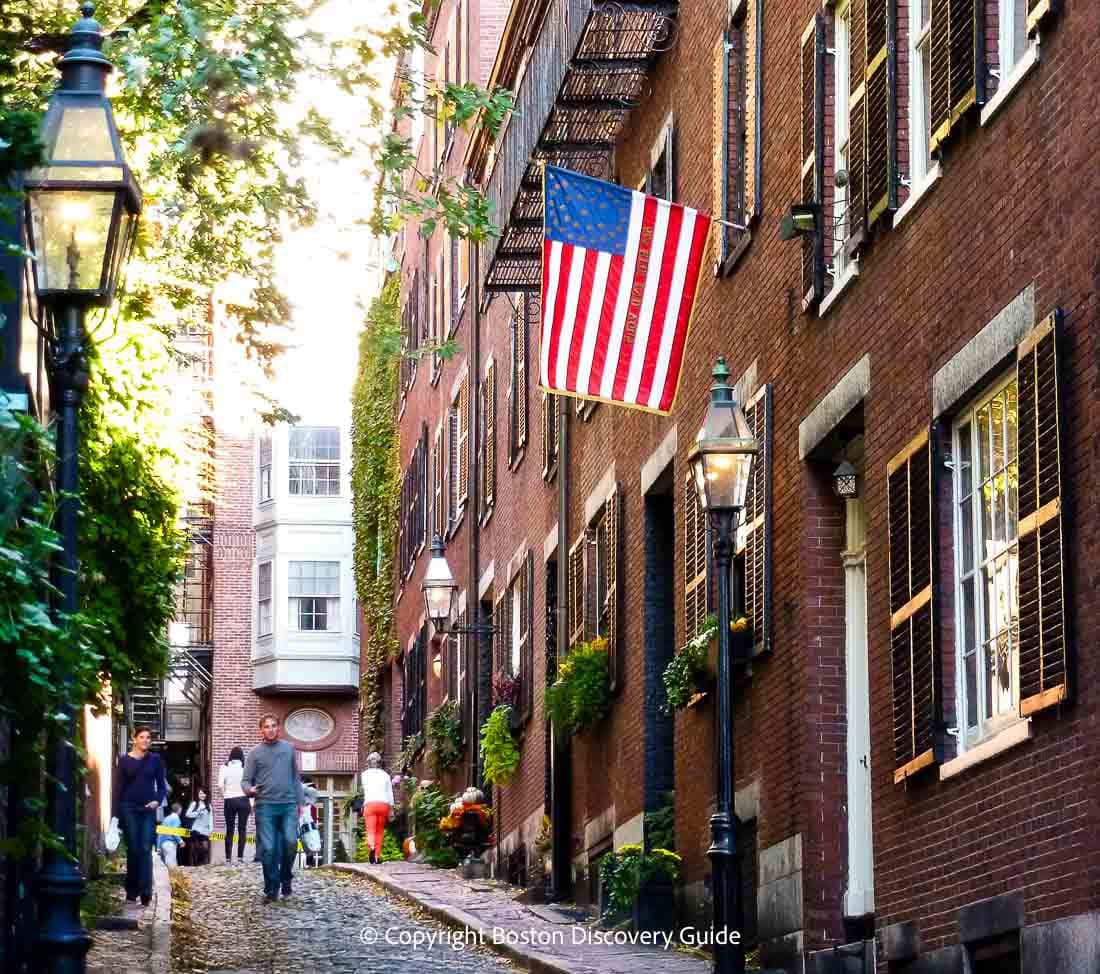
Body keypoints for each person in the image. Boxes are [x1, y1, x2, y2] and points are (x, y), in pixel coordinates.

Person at [242, 713, 304, 902]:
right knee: (268, 849)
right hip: (265, 806)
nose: (270, 729)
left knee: (291, 842)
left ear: (278, 728)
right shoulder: (254, 753)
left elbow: (295, 777)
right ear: (261, 730)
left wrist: (300, 802)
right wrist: (249, 790)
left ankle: (286, 877)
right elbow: (245, 781)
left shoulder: (288, 749)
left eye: (273, 725)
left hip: (287, 805)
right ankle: (271, 888)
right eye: (266, 726)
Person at [112, 726, 168, 905]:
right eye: (142, 737)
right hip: (128, 808)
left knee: (145, 848)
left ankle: (145, 892)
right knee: (134, 849)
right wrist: (116, 814)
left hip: (148, 809)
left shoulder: (155, 760)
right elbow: (118, 789)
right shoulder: (124, 761)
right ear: (134, 739)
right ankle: (131, 890)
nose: (145, 740)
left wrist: (157, 801)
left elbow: (161, 786)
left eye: (148, 737)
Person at [360, 752, 394, 865]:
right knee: (379, 831)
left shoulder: (364, 775)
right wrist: (391, 810)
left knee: (371, 830)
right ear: (379, 763)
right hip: (384, 804)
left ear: (368, 762)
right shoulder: (386, 775)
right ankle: (377, 856)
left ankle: (372, 847)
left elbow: (364, 791)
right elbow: (390, 794)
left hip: (370, 804)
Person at [218, 746, 250, 862]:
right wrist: (251, 803)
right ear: (242, 756)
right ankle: (240, 857)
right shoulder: (246, 768)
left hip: (229, 800)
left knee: (229, 829)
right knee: (242, 829)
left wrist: (224, 796)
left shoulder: (224, 767)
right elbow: (250, 786)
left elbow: (220, 785)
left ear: (230, 756)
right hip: (243, 799)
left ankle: (228, 858)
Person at [185, 788, 213, 866]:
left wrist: (211, 829)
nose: (202, 795)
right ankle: (196, 863)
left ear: (206, 795)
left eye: (204, 793)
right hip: (195, 828)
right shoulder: (194, 804)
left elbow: (210, 818)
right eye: (200, 793)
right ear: (198, 795)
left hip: (204, 830)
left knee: (205, 847)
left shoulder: (209, 805)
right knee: (195, 848)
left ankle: (203, 863)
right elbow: (187, 814)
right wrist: (197, 812)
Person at [158, 802, 185, 868]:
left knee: (168, 864)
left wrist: (158, 846)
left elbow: (160, 833)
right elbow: (174, 832)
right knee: (172, 865)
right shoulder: (176, 819)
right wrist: (181, 841)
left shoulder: (166, 819)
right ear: (179, 810)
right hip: (170, 843)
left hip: (163, 844)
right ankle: (174, 878)